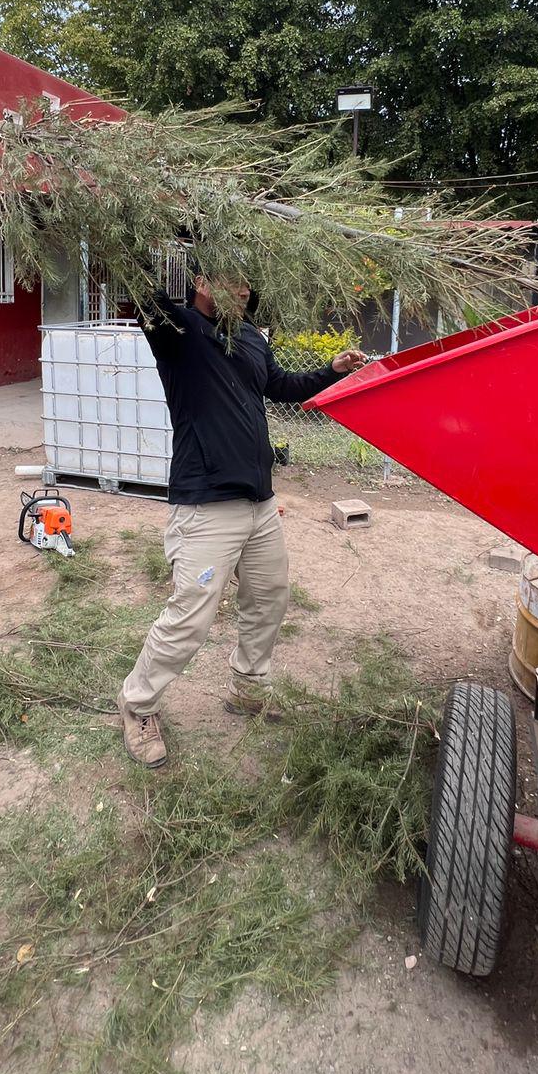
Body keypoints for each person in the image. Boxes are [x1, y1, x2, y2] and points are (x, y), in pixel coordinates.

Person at [117, 268, 367, 767]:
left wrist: (332, 369)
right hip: (207, 505)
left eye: (250, 279)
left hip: (260, 503)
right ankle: (138, 704)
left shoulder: (251, 337)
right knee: (190, 616)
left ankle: (249, 687)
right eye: (233, 278)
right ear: (203, 281)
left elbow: (279, 386)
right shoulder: (177, 330)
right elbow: (139, 282)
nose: (247, 287)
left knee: (269, 599)